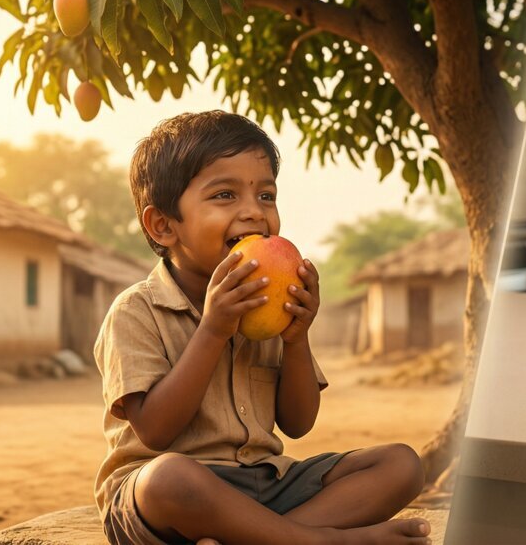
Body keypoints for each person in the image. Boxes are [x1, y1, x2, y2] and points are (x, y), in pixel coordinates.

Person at [93, 111, 430, 545]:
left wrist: (296, 340)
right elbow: (156, 431)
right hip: (169, 498)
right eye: (225, 195)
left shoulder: (270, 303)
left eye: (266, 195)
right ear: (164, 225)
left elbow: (298, 423)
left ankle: (259, 538)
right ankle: (326, 541)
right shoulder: (136, 311)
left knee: (401, 465)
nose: (254, 212)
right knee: (169, 479)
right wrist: (213, 330)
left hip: (266, 483)